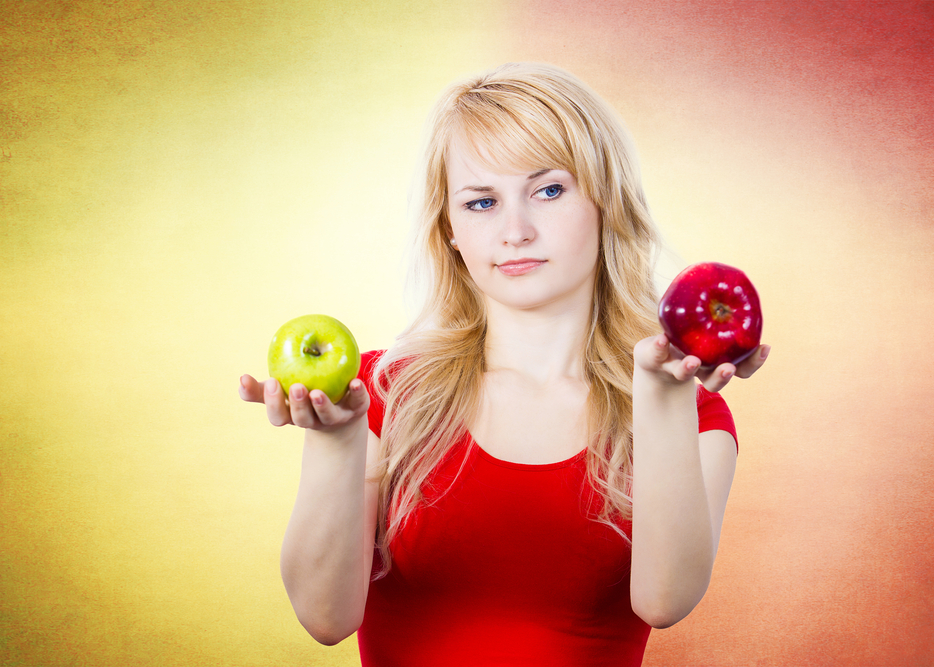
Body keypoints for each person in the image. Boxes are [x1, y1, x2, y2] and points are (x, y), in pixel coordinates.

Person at [239, 62, 769, 666]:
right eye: (482, 201)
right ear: (452, 231)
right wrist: (338, 443)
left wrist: (662, 401)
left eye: (548, 190)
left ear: (606, 201)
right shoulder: (378, 390)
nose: (515, 231)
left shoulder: (690, 409)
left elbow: (666, 600)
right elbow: (324, 618)